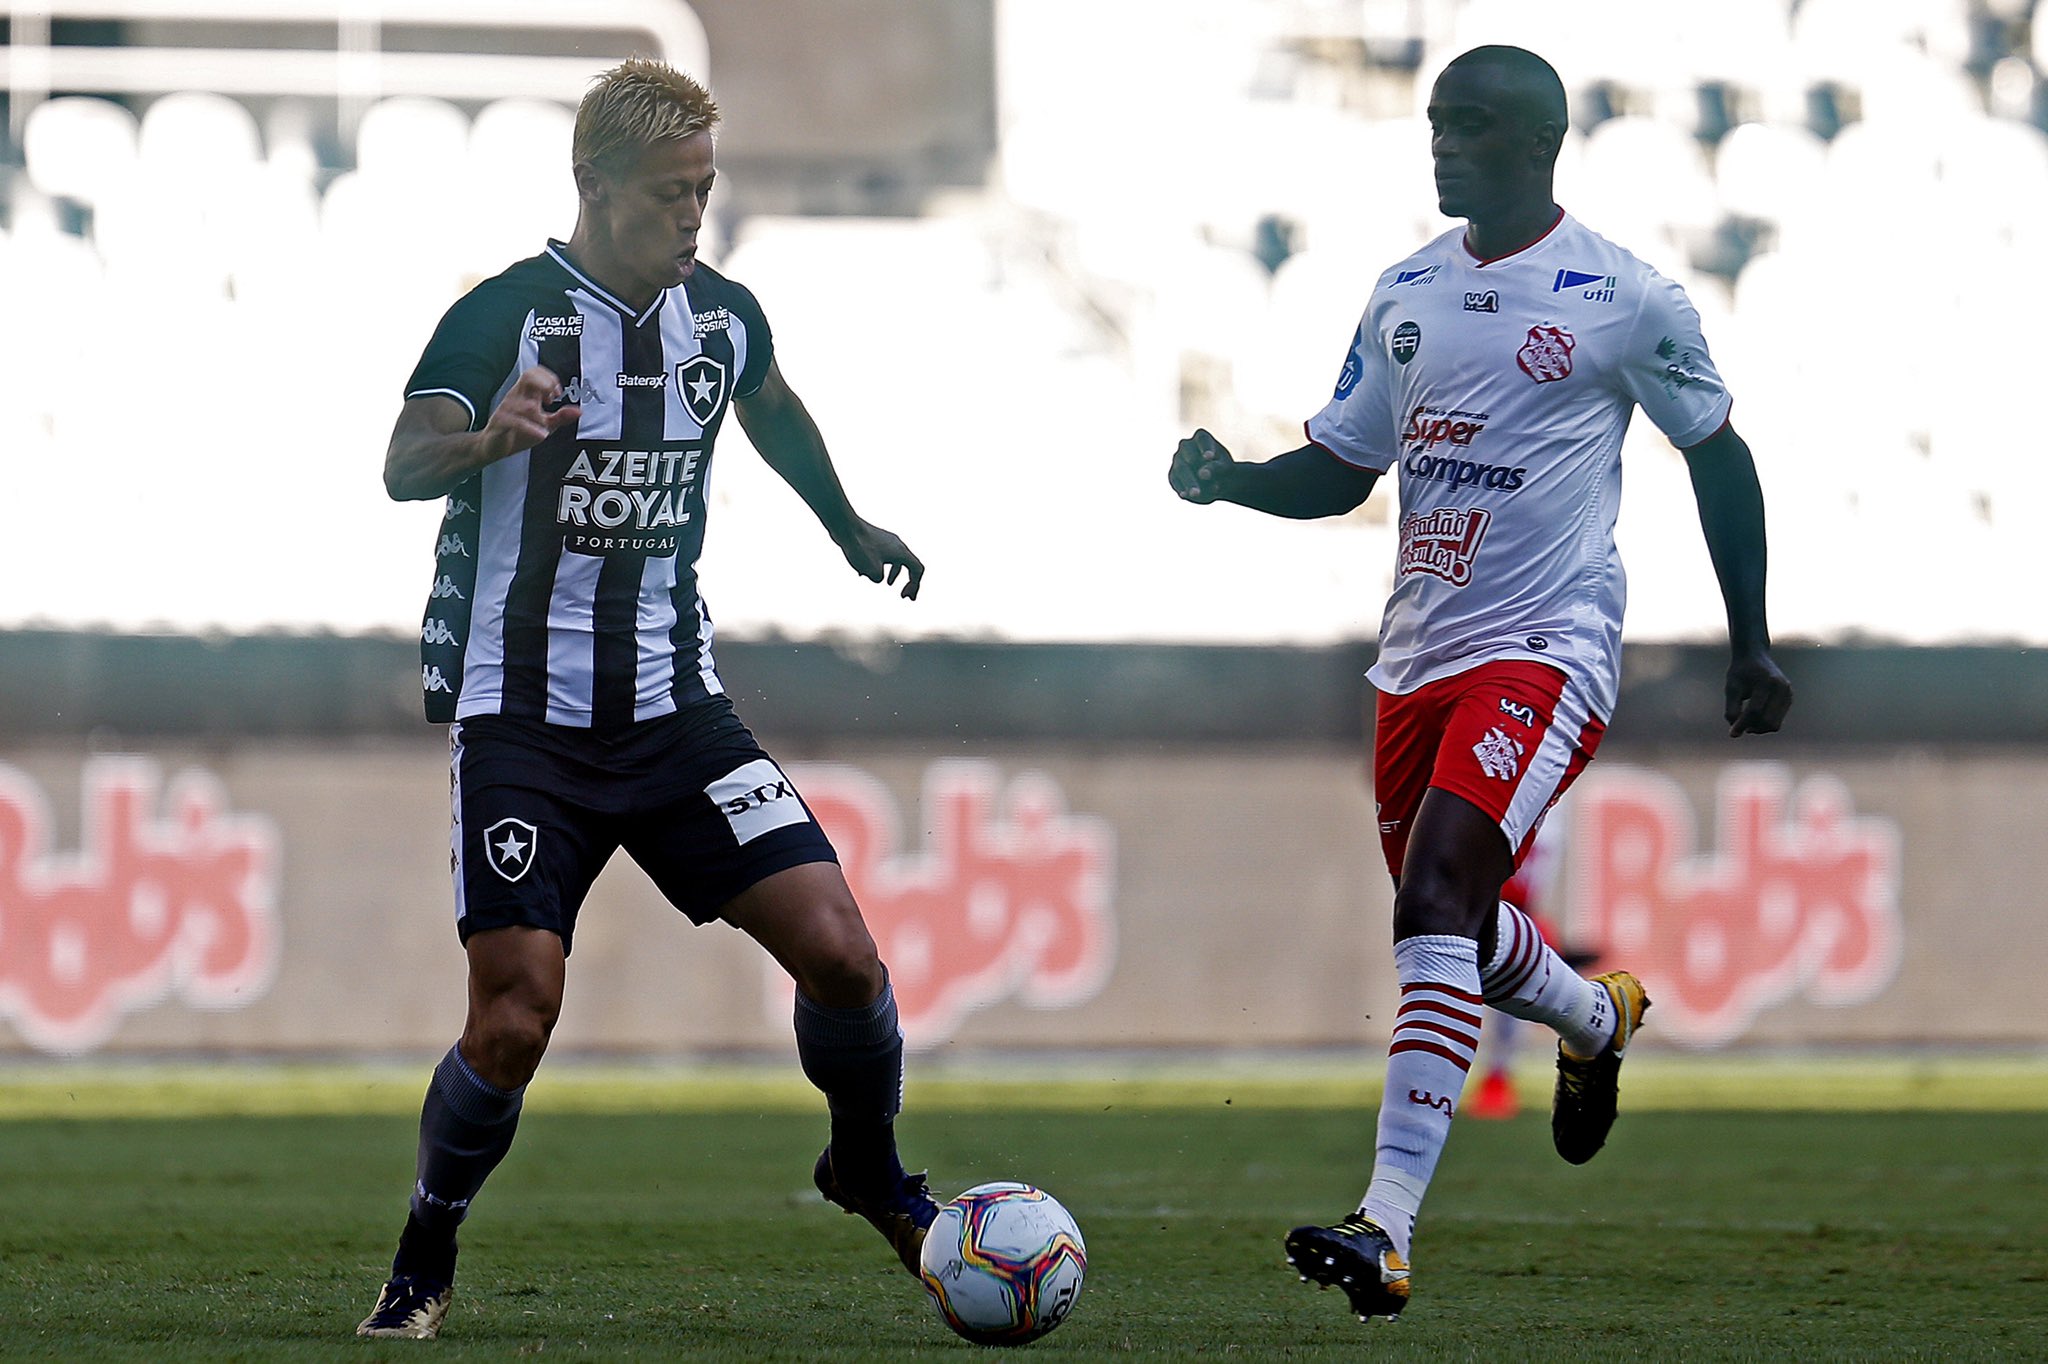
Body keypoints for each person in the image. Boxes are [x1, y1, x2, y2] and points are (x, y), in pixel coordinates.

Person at [1168, 45, 1791, 1322]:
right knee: (1441, 919)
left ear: (1536, 143)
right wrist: (1234, 478)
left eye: (1468, 127)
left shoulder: (1623, 297)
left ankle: (1384, 1225)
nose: (1441, 145)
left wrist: (1751, 639)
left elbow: (1716, 457)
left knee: (1440, 888)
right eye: (1436, 123)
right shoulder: (1403, 292)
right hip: (1413, 661)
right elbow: (1341, 469)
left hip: (1548, 645)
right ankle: (1594, 1018)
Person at [358, 58, 936, 1340]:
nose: (693, 216)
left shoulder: (720, 319)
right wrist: (488, 442)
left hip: (679, 716)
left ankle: (867, 1167)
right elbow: (403, 461)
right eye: (671, 196)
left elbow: (770, 409)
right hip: (526, 723)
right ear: (595, 188)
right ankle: (425, 1247)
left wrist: (846, 525)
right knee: (513, 1019)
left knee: (842, 954)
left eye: (705, 191)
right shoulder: (504, 315)